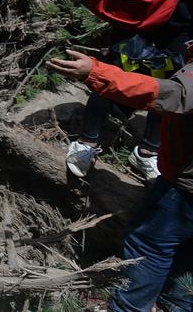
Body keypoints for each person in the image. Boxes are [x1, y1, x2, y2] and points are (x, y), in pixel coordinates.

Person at [39, 0, 193, 181]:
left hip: (184, 26)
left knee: (172, 87)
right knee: (111, 74)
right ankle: (87, 142)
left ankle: (147, 152)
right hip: (141, 18)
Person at [48, 48, 193, 312]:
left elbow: (172, 94)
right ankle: (176, 305)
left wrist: (95, 73)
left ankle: (129, 307)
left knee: (148, 246)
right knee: (187, 249)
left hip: (185, 187)